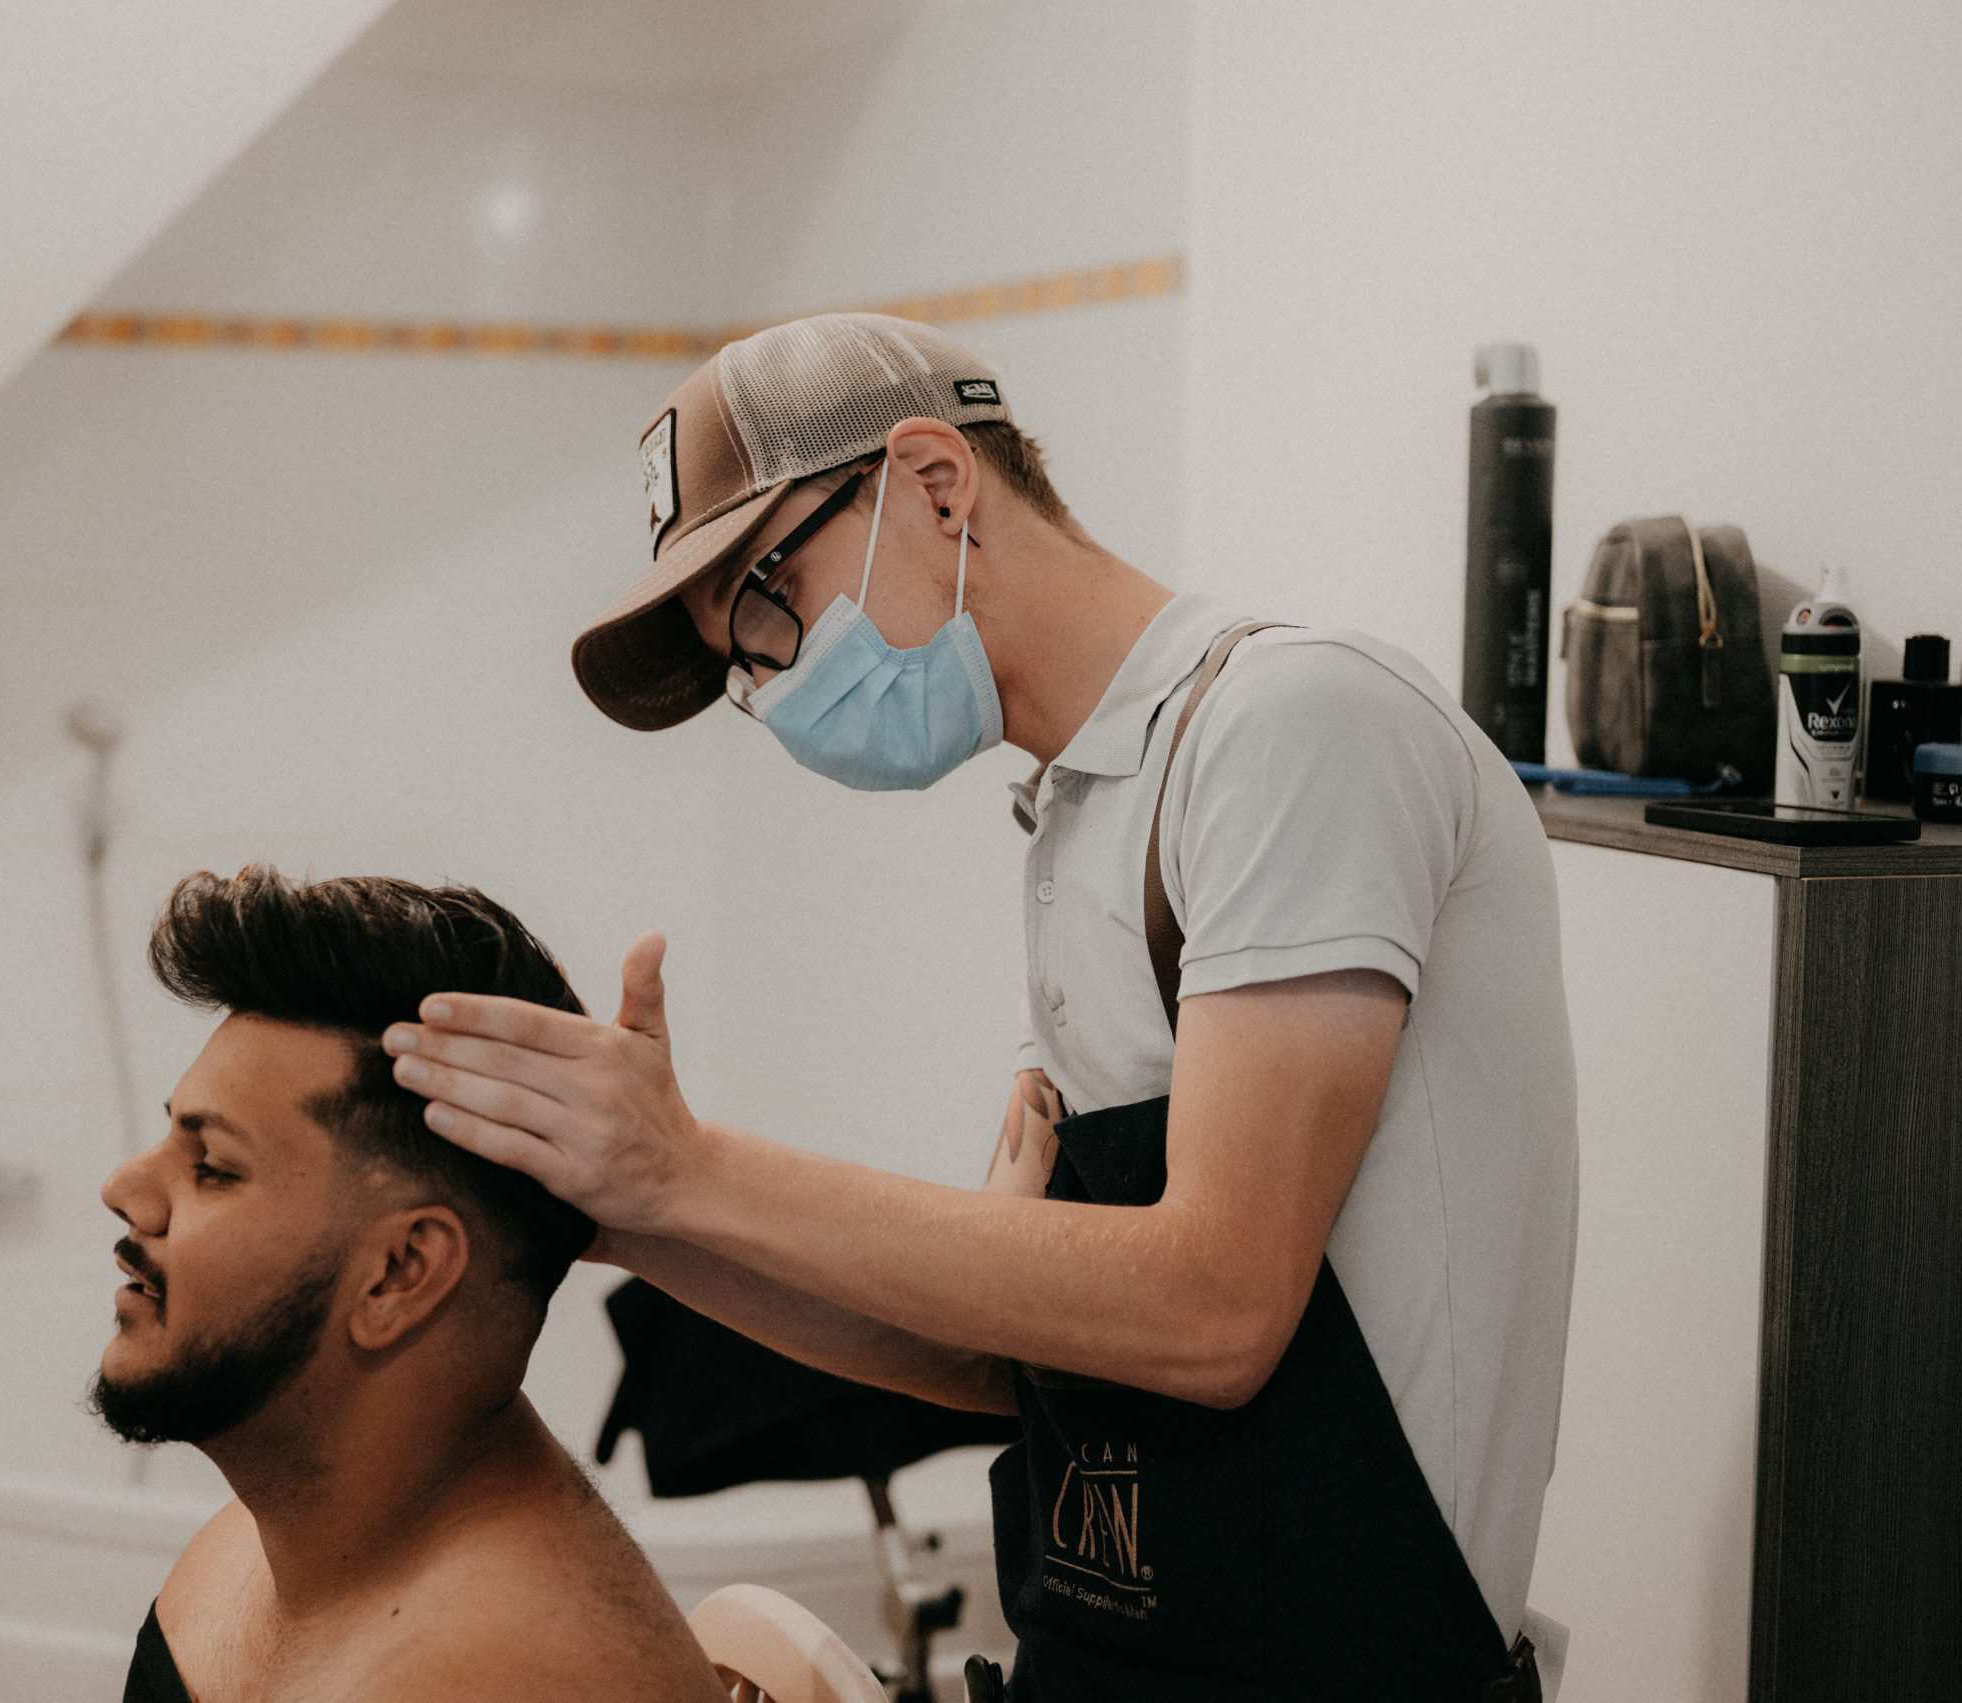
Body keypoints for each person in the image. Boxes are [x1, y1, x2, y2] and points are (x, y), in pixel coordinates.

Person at [377, 314, 1575, 1700]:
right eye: (741, 666)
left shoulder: (1293, 727)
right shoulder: (1079, 818)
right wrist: (625, 1218)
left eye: (768, 600)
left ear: (937, 483)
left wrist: (689, 1165)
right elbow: (1011, 1351)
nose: (772, 687)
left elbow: (1214, 1309)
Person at [91, 864, 728, 1703]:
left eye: (211, 1165)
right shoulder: (273, 1537)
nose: (124, 1190)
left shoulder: (509, 1678)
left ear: (400, 1272)